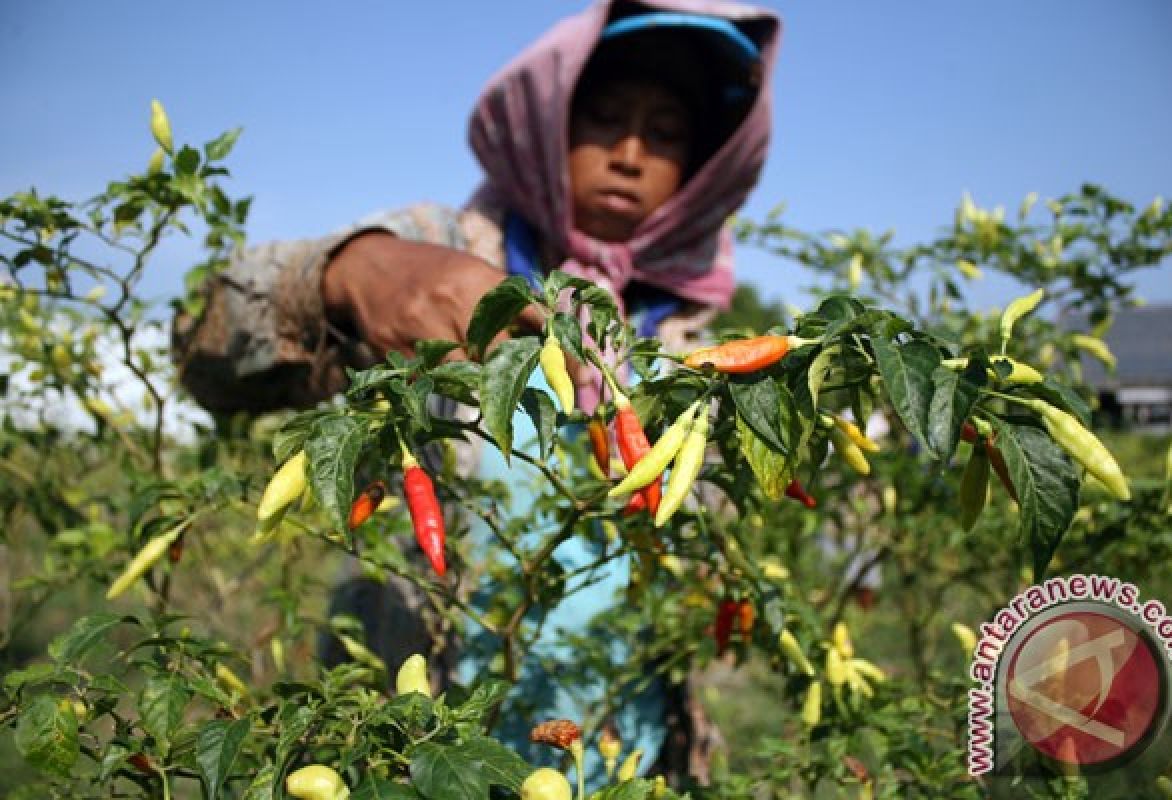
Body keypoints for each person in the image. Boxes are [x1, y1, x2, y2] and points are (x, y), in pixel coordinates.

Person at [171, 0, 779, 785]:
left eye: (664, 133)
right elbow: (203, 352)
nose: (630, 153)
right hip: (424, 746)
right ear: (549, 127)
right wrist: (352, 272)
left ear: (698, 167)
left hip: (617, 750)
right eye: (601, 120)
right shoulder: (447, 249)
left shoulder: (697, 339)